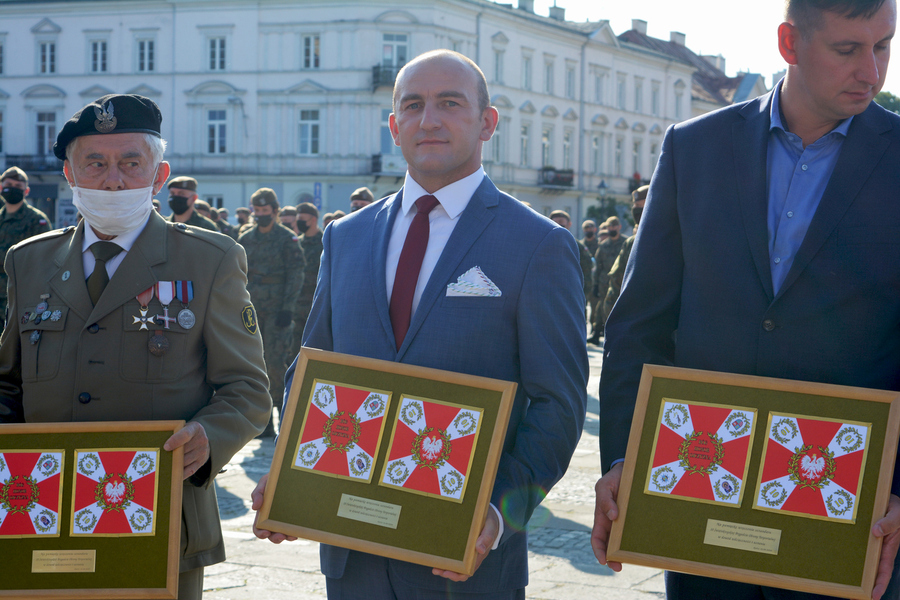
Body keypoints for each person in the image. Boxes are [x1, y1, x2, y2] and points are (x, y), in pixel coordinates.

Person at [251, 49, 588, 599]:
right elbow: (312, 372)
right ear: (393, 126)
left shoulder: (538, 245)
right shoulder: (347, 236)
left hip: (463, 565)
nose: (429, 120)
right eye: (413, 105)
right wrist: (292, 474)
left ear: (487, 122)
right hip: (351, 555)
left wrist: (501, 517)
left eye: (449, 103)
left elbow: (560, 406)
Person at [592, 1, 900, 599]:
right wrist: (621, 459)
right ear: (789, 42)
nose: (872, 70)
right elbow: (640, 322)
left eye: (884, 46)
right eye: (848, 49)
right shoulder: (694, 147)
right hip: (700, 500)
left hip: (848, 514)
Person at [0, 94, 270, 599]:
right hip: (38, 517)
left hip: (163, 522)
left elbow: (248, 389)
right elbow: (8, 383)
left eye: (131, 163)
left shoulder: (209, 260)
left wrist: (209, 436)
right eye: (95, 164)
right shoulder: (29, 262)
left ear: (159, 174)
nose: (113, 180)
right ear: (69, 173)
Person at [238, 188, 304, 437]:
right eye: (258, 211)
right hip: (251, 311)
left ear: (275, 211)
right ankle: (261, 420)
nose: (261, 215)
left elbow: (296, 275)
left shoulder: (287, 239)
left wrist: (288, 308)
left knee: (276, 364)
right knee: (254, 364)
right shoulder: (246, 238)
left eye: (266, 211)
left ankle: (279, 415)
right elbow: (237, 273)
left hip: (278, 311)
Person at [0, 167, 52, 329]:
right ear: (1, 188)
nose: (13, 188)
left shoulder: (37, 220)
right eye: (9, 184)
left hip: (19, 294)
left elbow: (46, 259)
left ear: (26, 190)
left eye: (18, 185)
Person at [603, 185, 647, 318]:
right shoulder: (631, 243)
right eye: (635, 206)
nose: (636, 211)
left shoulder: (674, 240)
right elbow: (616, 281)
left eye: (641, 206)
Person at [290, 202, 323, 358]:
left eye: (302, 218)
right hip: (297, 305)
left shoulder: (325, 242)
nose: (299, 222)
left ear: (313, 220)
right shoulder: (297, 243)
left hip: (315, 306)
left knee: (315, 351)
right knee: (293, 351)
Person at [588, 215, 624, 344]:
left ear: (619, 227)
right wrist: (596, 284)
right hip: (604, 283)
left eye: (614, 226)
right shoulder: (603, 245)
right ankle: (597, 332)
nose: (611, 228)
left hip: (621, 282)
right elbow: (597, 266)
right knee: (602, 308)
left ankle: (618, 334)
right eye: (609, 226)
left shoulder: (625, 243)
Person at [550, 210, 593, 306]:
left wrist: (582, 298)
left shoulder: (577, 246)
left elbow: (586, 274)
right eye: (554, 222)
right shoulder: (544, 246)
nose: (558, 225)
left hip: (572, 299)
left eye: (561, 222)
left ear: (569, 224)